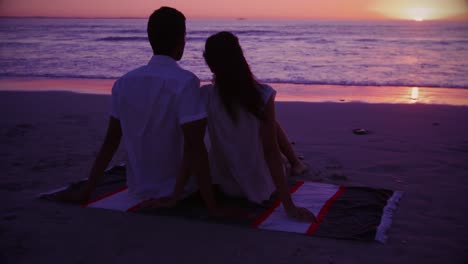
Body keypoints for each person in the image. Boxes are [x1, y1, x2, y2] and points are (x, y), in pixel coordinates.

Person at [66, 7, 220, 214]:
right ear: (180, 40)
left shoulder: (124, 82)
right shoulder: (186, 82)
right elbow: (196, 147)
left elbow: (111, 141)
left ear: (150, 39)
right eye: (184, 36)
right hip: (177, 188)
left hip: (137, 188)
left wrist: (89, 189)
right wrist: (212, 207)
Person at [202, 31, 316, 221]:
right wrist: (289, 206)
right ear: (240, 58)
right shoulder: (261, 95)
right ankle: (296, 163)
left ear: (210, 64)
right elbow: (270, 150)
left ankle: (295, 162)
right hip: (260, 188)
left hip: (225, 185)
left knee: (261, 123)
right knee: (270, 135)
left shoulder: (205, 96)